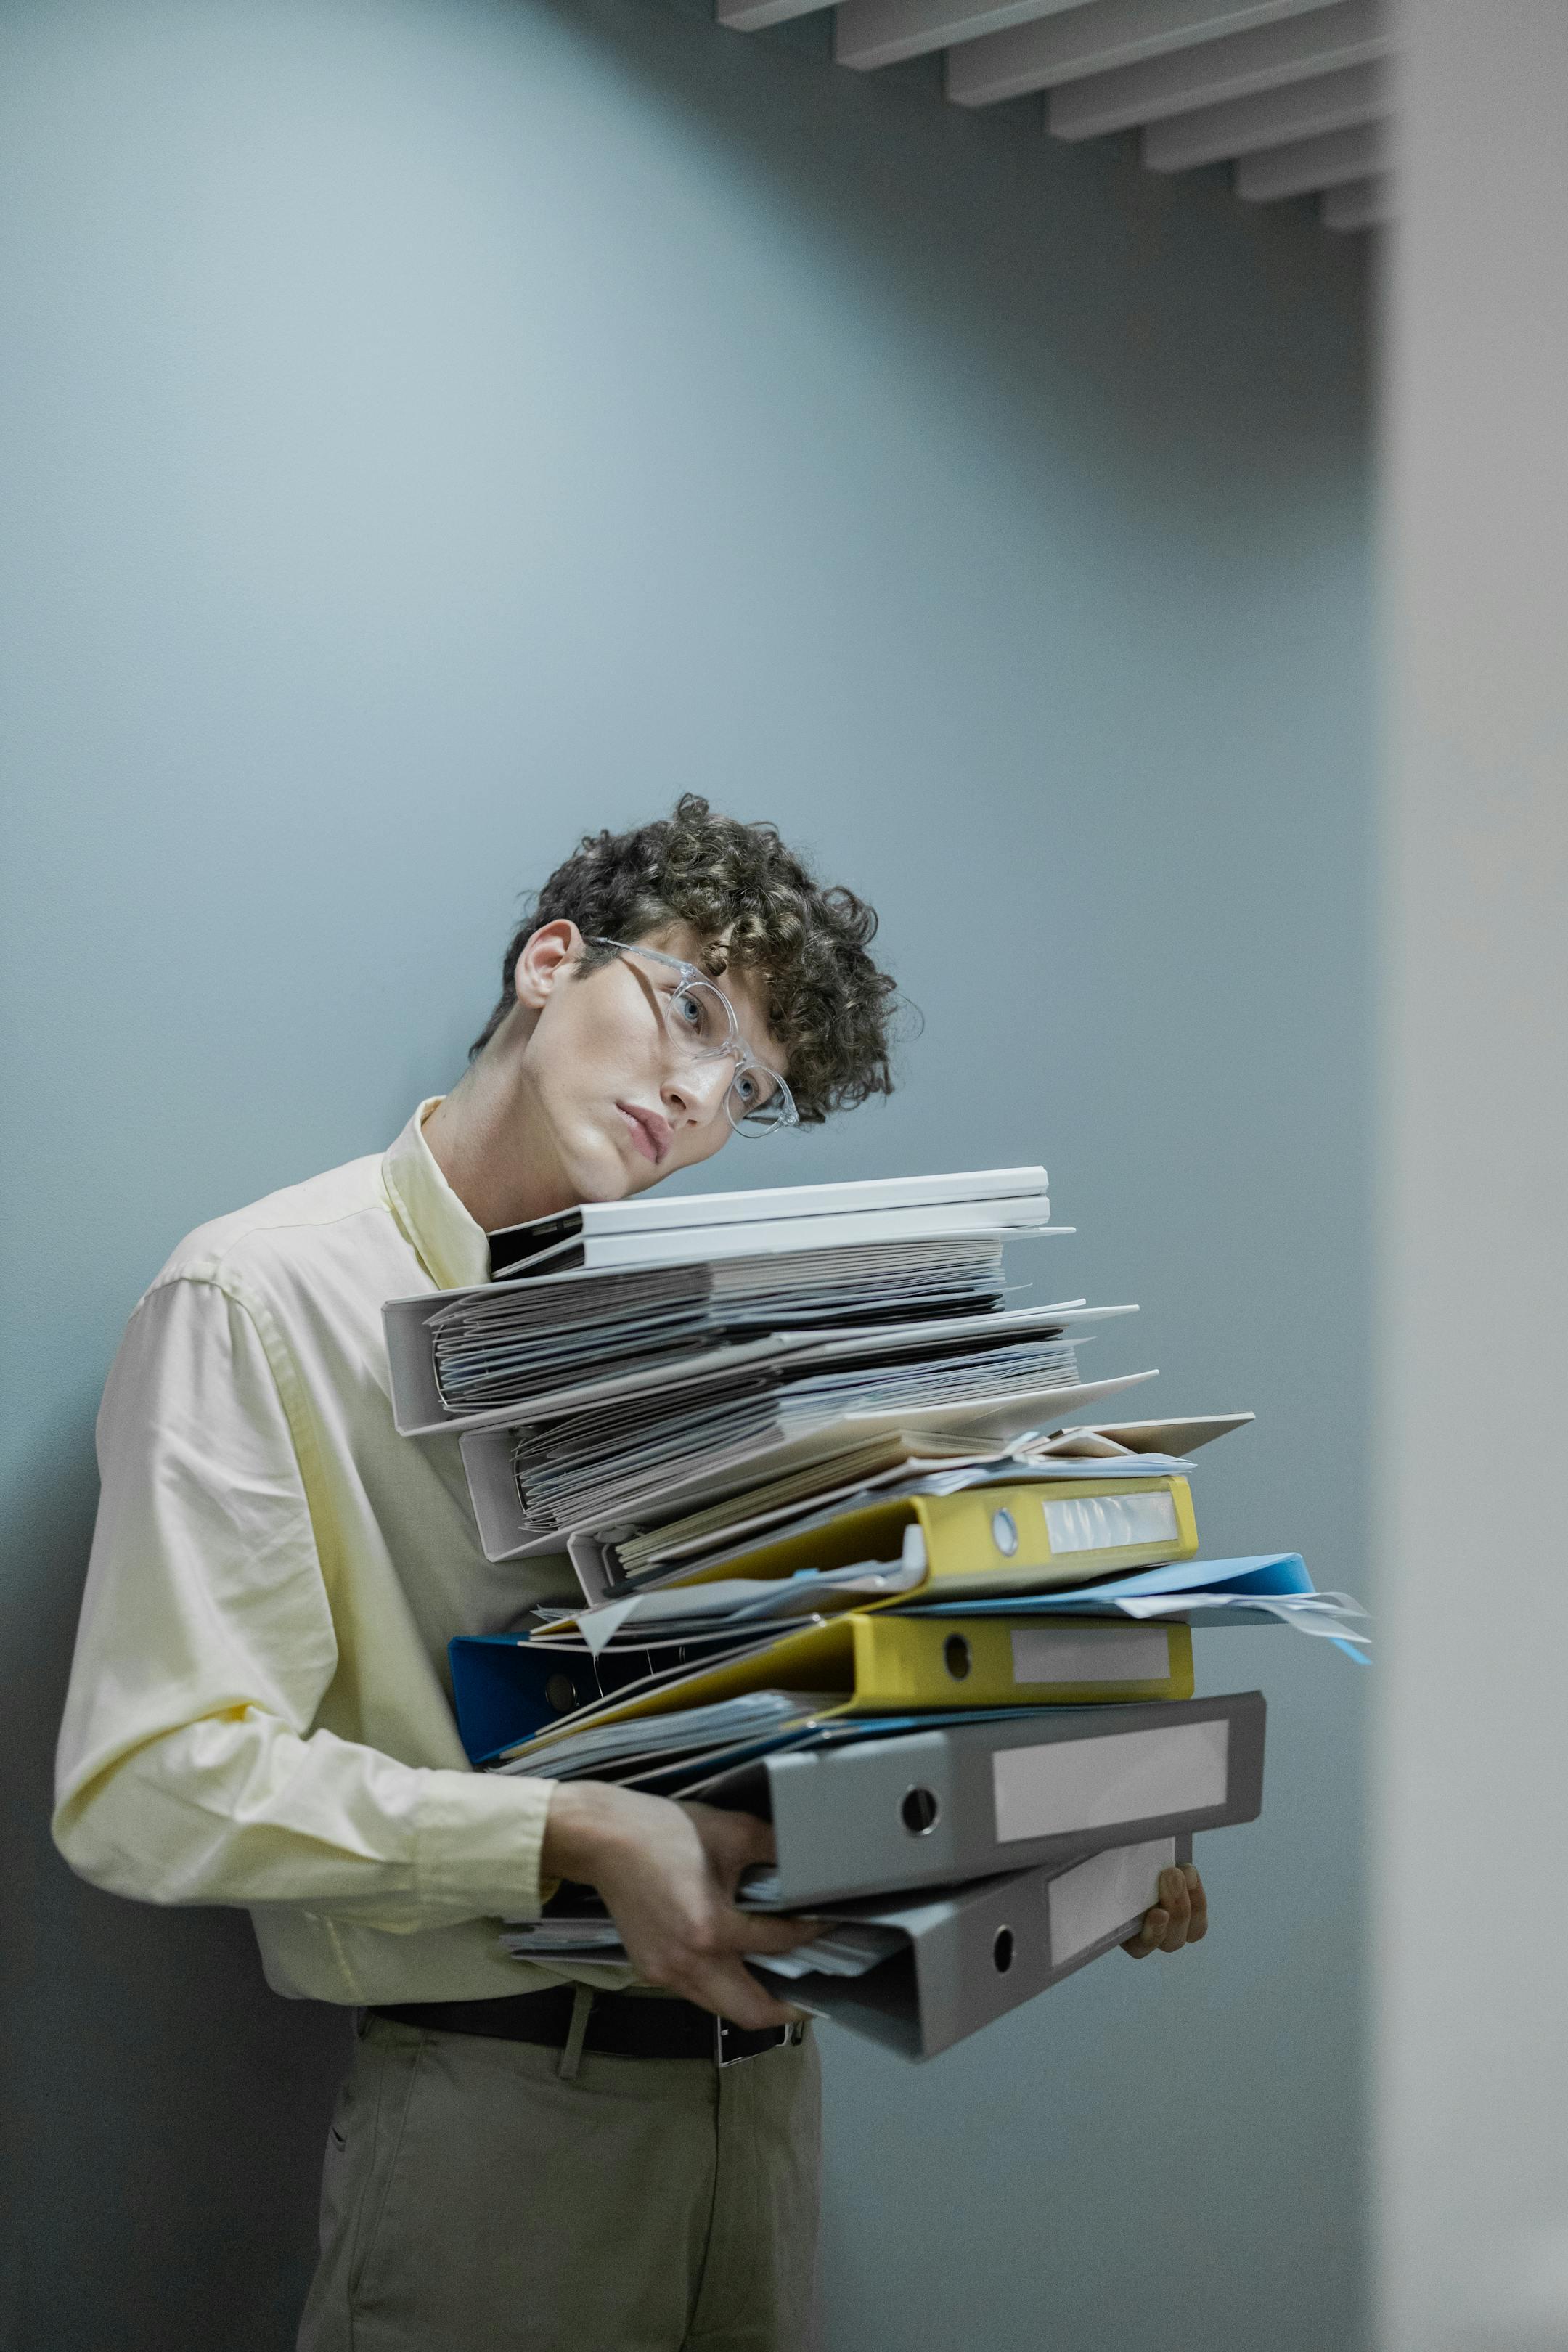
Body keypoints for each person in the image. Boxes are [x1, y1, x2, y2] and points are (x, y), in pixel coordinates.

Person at [52, 796, 1208, 2352]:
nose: (699, 1092)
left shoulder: (710, 1336)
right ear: (550, 963)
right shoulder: (258, 1297)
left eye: (750, 1084)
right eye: (690, 1009)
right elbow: (151, 1780)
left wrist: (1067, 1819)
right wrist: (574, 1834)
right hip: (499, 2122)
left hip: (768, 2102)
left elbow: (768, 1697)